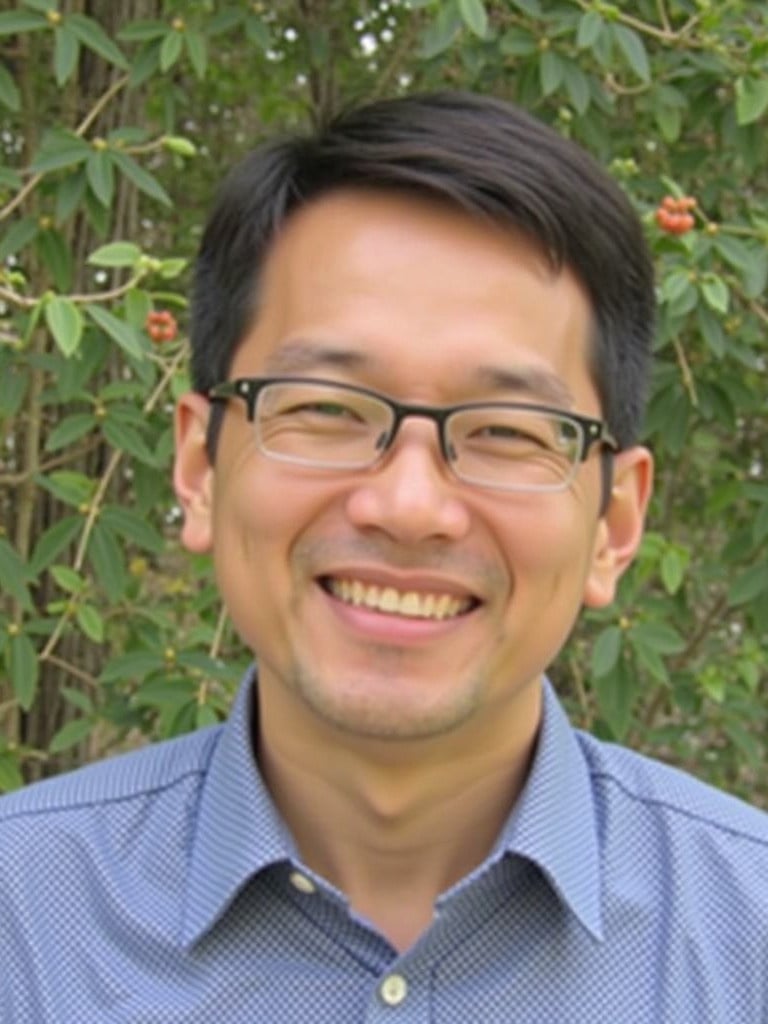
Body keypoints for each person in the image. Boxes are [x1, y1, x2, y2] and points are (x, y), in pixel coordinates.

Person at [1, 91, 766, 1023]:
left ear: (614, 522)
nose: (409, 506)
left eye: (508, 430)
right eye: (325, 409)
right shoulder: (23, 925)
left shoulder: (745, 941)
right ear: (200, 467)